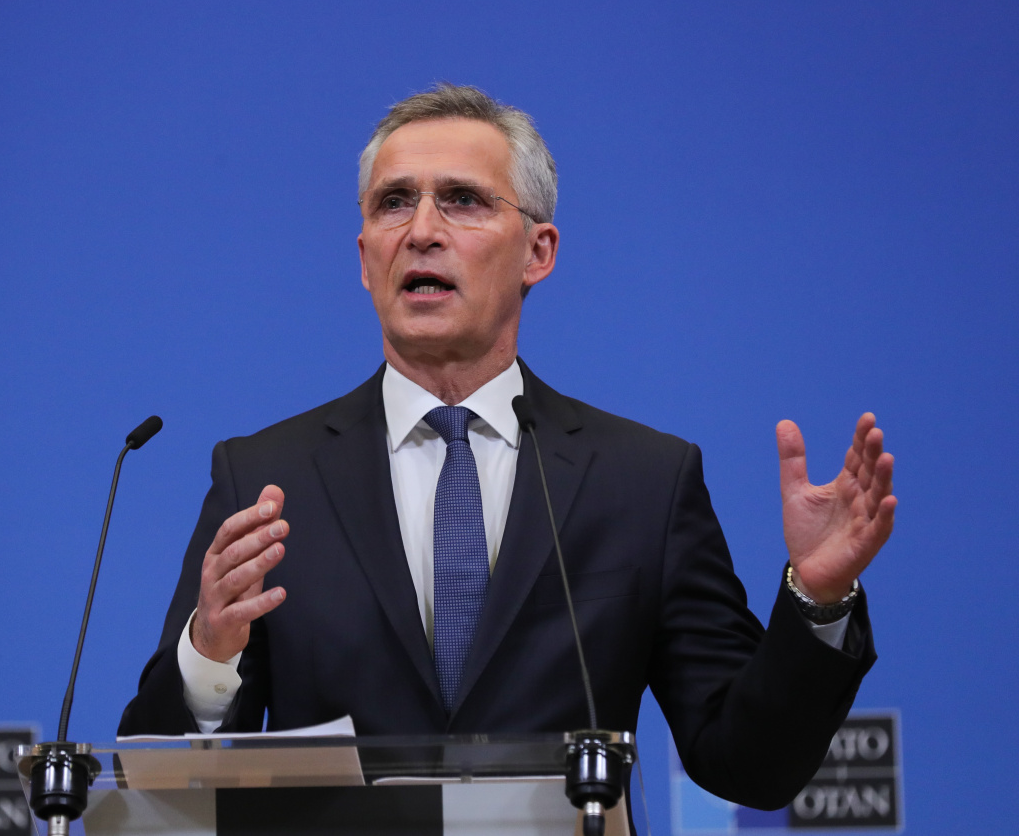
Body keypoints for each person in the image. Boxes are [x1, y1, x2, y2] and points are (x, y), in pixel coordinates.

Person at [118, 84, 895, 810]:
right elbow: (159, 788)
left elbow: (748, 765)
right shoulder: (265, 479)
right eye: (394, 202)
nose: (422, 231)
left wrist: (817, 600)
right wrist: (208, 655)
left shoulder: (643, 483)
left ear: (538, 253)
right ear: (364, 259)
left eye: (462, 200)